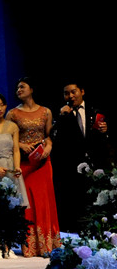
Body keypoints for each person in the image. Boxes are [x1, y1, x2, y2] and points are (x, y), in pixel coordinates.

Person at [6, 77, 61, 257]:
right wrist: (21, 145)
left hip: (43, 162)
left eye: (22, 87)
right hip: (24, 162)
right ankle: (30, 245)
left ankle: (47, 245)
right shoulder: (12, 114)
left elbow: (49, 135)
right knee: (28, 202)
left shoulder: (46, 112)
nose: (19, 90)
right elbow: (7, 139)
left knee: (44, 201)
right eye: (17, 88)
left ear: (32, 89)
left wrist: (49, 147)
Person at [51, 79, 110, 232]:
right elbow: (55, 137)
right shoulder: (63, 114)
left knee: (95, 203)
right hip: (72, 169)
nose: (70, 96)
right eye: (66, 93)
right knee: (75, 206)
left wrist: (105, 131)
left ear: (82, 92)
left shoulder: (94, 111)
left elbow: (103, 140)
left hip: (94, 166)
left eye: (73, 92)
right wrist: (62, 116)